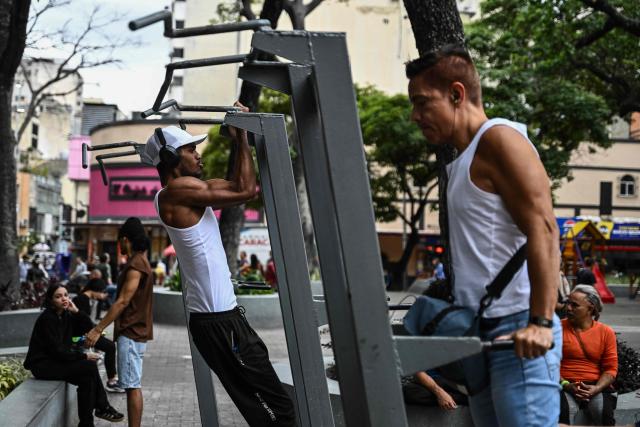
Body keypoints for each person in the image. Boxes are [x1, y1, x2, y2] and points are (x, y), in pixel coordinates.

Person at [406, 44, 562, 426]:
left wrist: (540, 322)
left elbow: (543, 228)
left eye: (423, 103)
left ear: (456, 94)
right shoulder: (463, 158)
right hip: (480, 332)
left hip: (518, 332)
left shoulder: (500, 140)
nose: (415, 116)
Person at [144, 103, 296, 426]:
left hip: (219, 320)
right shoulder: (177, 191)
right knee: (278, 410)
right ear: (171, 159)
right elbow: (245, 189)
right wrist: (240, 134)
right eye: (190, 149)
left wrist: (239, 135)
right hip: (218, 322)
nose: (198, 154)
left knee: (266, 409)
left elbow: (237, 185)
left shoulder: (175, 194)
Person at [85, 217, 154, 427]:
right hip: (135, 332)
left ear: (125, 240)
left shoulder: (136, 264)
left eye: (120, 242)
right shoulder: (141, 261)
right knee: (132, 384)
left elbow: (123, 300)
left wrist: (98, 329)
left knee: (132, 386)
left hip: (131, 332)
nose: (120, 246)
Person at [23, 284, 124, 426]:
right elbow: (57, 350)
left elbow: (89, 329)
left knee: (86, 379)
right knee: (88, 366)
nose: (64, 299)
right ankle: (102, 407)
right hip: (42, 365)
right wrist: (84, 356)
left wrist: (76, 311)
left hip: (56, 361)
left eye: (65, 295)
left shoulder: (65, 315)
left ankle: (86, 423)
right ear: (51, 301)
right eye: (58, 297)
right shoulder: (48, 319)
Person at [560, 285, 617, 425]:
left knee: (604, 415)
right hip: (564, 384)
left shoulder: (606, 332)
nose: (568, 308)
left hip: (596, 386)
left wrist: (596, 388)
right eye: (568, 303)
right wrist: (566, 385)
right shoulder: (557, 328)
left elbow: (610, 369)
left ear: (590, 308)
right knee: (563, 413)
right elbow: (548, 364)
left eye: (574, 305)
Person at [71, 283, 123, 393]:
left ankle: (111, 378)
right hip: (77, 337)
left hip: (83, 334)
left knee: (108, 345)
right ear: (95, 290)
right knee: (110, 346)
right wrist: (96, 331)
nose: (104, 295)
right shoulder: (82, 300)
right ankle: (111, 381)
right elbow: (83, 323)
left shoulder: (85, 299)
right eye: (103, 292)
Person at [403, 370, 467, 410]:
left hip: (422, 377)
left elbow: (417, 372)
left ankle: (466, 399)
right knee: (411, 394)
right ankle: (464, 399)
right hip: (406, 388)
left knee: (440, 382)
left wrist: (440, 392)